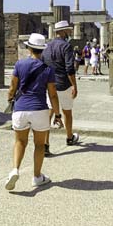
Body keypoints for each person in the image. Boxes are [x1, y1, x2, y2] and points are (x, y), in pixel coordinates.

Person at [5, 33, 60, 191]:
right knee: (39, 144)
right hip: (39, 110)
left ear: (29, 48)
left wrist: (10, 99)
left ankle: (15, 169)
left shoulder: (19, 65)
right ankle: (37, 177)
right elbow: (53, 94)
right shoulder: (47, 69)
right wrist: (57, 114)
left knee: (20, 142)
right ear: (42, 50)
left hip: (20, 109)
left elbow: (12, 88)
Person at [43, 21, 80, 156]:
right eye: (68, 31)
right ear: (64, 31)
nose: (70, 32)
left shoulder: (47, 46)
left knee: (50, 112)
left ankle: (45, 144)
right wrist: (74, 86)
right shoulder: (66, 46)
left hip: (50, 84)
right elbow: (69, 69)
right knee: (67, 112)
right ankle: (69, 137)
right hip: (63, 84)